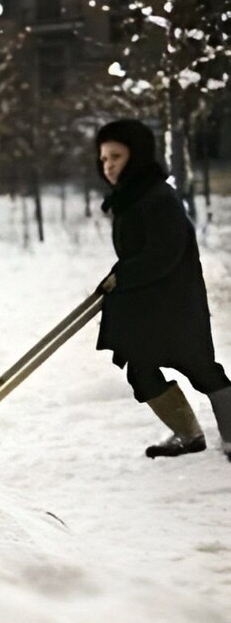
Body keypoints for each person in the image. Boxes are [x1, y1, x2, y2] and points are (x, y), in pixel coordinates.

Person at [95, 118, 231, 461]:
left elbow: (162, 254)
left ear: (136, 156)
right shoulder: (131, 196)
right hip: (146, 301)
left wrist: (123, 275)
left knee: (201, 370)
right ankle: (188, 436)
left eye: (116, 156)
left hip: (176, 303)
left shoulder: (158, 198)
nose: (108, 165)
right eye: (104, 158)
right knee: (141, 369)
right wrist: (120, 276)